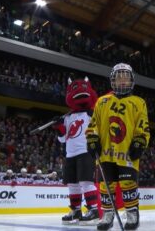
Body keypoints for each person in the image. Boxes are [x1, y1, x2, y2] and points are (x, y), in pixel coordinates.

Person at [86, 63, 150, 230]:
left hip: (126, 152)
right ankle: (108, 214)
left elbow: (142, 126)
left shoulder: (139, 102)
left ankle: (132, 212)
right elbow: (94, 124)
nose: (122, 81)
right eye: (119, 77)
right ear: (113, 80)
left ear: (131, 81)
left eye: (126, 77)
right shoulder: (102, 101)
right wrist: (92, 139)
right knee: (106, 184)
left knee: (129, 183)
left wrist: (140, 141)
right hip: (105, 153)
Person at [53, 77, 100, 225]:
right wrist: (60, 127)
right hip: (70, 154)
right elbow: (62, 139)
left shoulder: (91, 114)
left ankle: (93, 209)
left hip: (86, 152)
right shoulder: (67, 117)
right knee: (72, 184)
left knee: (86, 182)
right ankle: (76, 210)